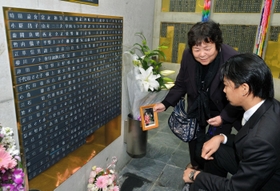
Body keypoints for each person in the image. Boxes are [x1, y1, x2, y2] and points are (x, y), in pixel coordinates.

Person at [153, 20, 243, 171]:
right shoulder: (188, 55)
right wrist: (165, 103)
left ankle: (212, 176)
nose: (202, 54)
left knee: (215, 147)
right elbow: (181, 83)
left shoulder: (232, 59)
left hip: (222, 109)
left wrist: (224, 117)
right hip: (197, 106)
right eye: (197, 49)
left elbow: (239, 95)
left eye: (207, 48)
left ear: (217, 44)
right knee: (194, 141)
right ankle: (196, 166)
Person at [183, 53, 280, 190]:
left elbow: (236, 188)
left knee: (198, 181)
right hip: (257, 167)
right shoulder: (270, 105)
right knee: (215, 151)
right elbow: (248, 139)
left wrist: (195, 176)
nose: (224, 90)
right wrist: (221, 138)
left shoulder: (261, 140)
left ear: (244, 89)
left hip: (266, 184)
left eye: (226, 85)